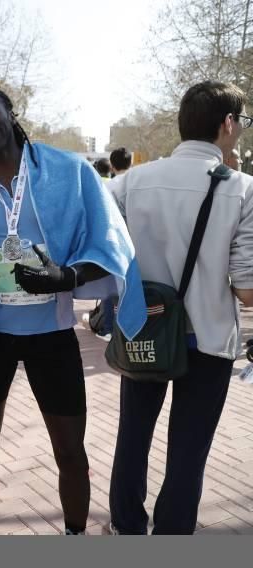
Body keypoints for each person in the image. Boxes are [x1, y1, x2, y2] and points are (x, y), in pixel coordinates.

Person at [0, 86, 146, 535]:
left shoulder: (68, 172)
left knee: (69, 451)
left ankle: (75, 538)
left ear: (9, 113)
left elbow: (112, 238)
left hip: (52, 335)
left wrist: (70, 276)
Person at [108, 81, 253, 535]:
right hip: (206, 340)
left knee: (132, 439)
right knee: (188, 453)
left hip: (142, 330)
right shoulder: (243, 190)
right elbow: (248, 289)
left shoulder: (129, 181)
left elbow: (103, 255)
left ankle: (127, 527)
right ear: (227, 124)